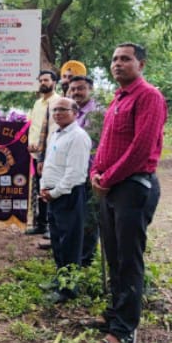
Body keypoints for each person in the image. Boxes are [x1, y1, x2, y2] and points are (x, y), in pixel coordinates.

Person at [90, 43, 167, 343]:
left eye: (125, 59)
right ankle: (115, 313)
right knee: (113, 255)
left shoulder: (149, 96)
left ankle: (123, 329)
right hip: (111, 188)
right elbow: (107, 144)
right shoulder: (118, 99)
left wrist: (106, 179)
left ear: (141, 64)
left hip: (132, 188)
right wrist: (96, 170)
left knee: (128, 259)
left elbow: (140, 148)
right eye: (114, 59)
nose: (117, 64)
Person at [40, 97, 92, 303]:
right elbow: (51, 164)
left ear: (75, 112)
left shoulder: (78, 137)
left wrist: (55, 192)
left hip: (68, 195)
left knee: (70, 242)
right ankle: (60, 278)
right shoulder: (56, 134)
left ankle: (69, 288)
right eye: (55, 110)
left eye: (63, 109)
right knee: (58, 239)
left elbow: (75, 174)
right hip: (53, 195)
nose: (58, 113)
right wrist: (45, 187)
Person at [67, 75, 104, 267]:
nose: (76, 93)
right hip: (74, 174)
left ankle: (86, 258)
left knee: (90, 218)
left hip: (92, 173)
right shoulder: (72, 113)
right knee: (76, 215)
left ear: (90, 89)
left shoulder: (98, 113)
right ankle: (75, 254)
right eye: (72, 89)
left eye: (80, 88)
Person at [26, 70, 60, 240]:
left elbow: (54, 129)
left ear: (54, 82)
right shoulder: (37, 103)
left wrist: (42, 148)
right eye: (40, 80)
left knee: (50, 189)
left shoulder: (59, 102)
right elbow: (34, 127)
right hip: (35, 153)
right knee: (39, 189)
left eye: (46, 80)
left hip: (50, 153)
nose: (43, 83)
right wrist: (30, 144)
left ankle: (51, 226)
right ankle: (40, 224)